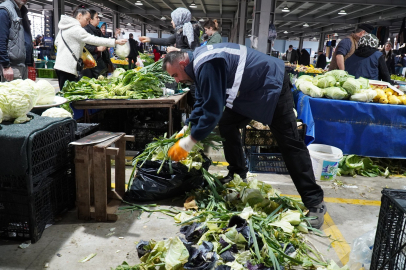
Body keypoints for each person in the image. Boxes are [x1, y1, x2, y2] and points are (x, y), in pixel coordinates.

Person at [164, 43, 326, 229]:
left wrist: (190, 141)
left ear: (183, 62)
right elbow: (202, 101)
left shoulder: (206, 63)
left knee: (289, 143)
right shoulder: (197, 66)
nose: (176, 81)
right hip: (250, 91)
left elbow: (213, 110)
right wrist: (187, 128)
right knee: (227, 123)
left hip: (270, 83)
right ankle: (237, 173)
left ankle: (315, 202)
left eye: (175, 75)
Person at [54, 5, 127, 90]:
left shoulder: (64, 27)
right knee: (68, 94)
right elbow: (93, 39)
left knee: (64, 92)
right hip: (68, 68)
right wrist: (115, 42)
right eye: (87, 19)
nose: (88, 22)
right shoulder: (76, 29)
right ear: (80, 16)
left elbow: (56, 42)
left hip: (59, 66)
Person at [0, 0, 33, 82]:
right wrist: (6, 66)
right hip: (11, 66)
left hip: (22, 65)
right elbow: (1, 40)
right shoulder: (4, 10)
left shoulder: (22, 11)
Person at [81, 9, 108, 79]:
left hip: (98, 62)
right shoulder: (86, 30)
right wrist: (97, 48)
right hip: (89, 63)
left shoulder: (97, 30)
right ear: (91, 20)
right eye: (97, 17)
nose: (98, 19)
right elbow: (84, 46)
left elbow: (103, 40)